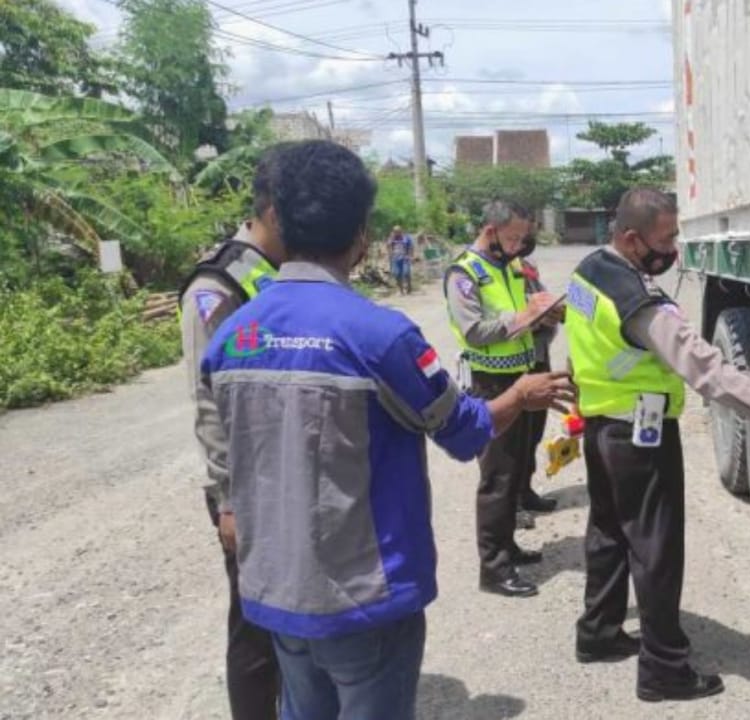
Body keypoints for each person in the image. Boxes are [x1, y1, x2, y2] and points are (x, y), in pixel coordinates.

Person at [200, 140, 575, 720]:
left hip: (275, 595)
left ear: (280, 222)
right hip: (365, 600)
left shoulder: (233, 334)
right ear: (362, 236)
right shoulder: (381, 336)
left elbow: (223, 447)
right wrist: (521, 396)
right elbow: (464, 430)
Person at [565, 188, 750, 702]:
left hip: (602, 424)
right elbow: (708, 372)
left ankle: (597, 635)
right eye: (665, 238)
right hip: (639, 435)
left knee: (607, 531)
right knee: (655, 551)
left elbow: (578, 331)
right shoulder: (639, 303)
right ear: (630, 237)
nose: (672, 248)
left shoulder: (587, 271)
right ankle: (664, 671)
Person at [179, 146, 288, 720]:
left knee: (290, 615)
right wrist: (228, 500)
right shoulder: (218, 282)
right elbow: (209, 399)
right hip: (247, 483)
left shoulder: (277, 271)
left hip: (286, 468)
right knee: (254, 625)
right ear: (272, 211)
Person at [444, 200, 558, 598]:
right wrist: (525, 316)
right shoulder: (464, 272)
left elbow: (523, 317)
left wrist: (544, 316)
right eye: (512, 238)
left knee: (517, 468)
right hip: (491, 384)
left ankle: (507, 547)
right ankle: (493, 570)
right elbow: (474, 331)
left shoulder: (509, 267)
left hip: (522, 376)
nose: (517, 246)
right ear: (490, 231)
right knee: (497, 476)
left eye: (522, 238)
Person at [516, 241, 561, 519]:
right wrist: (535, 320)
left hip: (539, 356)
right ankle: (512, 505)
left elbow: (543, 300)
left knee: (533, 431)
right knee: (515, 438)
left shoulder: (527, 268)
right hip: (517, 362)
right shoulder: (497, 272)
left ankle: (525, 491)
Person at [387, 225, 414, 294]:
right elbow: (389, 247)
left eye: (398, 231)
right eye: (395, 231)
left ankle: (409, 286)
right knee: (397, 274)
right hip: (396, 258)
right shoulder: (392, 238)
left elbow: (411, 247)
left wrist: (410, 256)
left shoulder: (406, 238)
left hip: (405, 258)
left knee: (406, 272)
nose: (396, 233)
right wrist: (391, 255)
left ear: (401, 231)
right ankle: (400, 290)